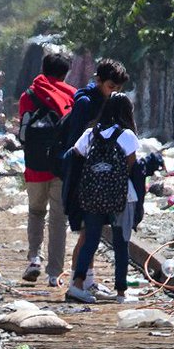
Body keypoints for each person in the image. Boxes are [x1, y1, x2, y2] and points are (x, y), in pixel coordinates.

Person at [61, 59, 130, 300]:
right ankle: (77, 284)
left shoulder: (106, 101)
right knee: (87, 233)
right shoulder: (86, 103)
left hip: (96, 178)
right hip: (84, 178)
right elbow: (75, 145)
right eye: (111, 87)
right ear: (99, 81)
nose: (114, 92)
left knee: (90, 233)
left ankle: (87, 281)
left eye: (118, 89)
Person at [18, 51, 76, 286]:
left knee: (36, 211)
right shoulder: (72, 95)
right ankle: (54, 273)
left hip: (34, 165)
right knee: (58, 218)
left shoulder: (29, 95)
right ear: (65, 73)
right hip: (61, 166)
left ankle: (34, 258)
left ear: (43, 69)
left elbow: (23, 133)